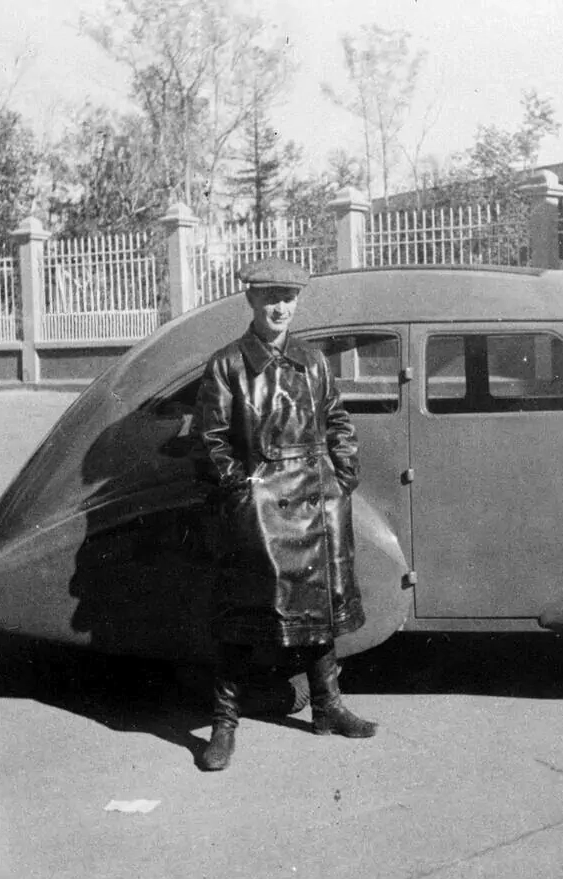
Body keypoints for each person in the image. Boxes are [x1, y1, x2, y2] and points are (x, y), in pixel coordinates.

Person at [194, 256, 377, 772]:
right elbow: (210, 441)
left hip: (317, 500)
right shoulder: (227, 364)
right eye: (270, 298)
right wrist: (243, 490)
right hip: (260, 510)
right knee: (242, 616)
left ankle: (327, 707)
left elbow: (337, 420)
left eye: (288, 298)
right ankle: (223, 725)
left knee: (318, 609)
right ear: (251, 300)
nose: (280, 308)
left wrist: (343, 476)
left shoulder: (313, 361)